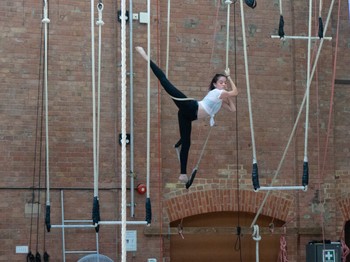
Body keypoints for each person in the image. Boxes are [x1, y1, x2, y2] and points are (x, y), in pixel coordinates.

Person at [135, 46, 238, 184]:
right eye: (221, 82)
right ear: (215, 84)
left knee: (187, 143)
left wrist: (227, 96)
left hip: (188, 116)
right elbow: (236, 92)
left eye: (224, 83)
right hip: (190, 106)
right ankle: (145, 56)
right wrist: (229, 77)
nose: (223, 84)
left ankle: (183, 174)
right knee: (165, 83)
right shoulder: (217, 93)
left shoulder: (220, 98)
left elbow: (233, 109)